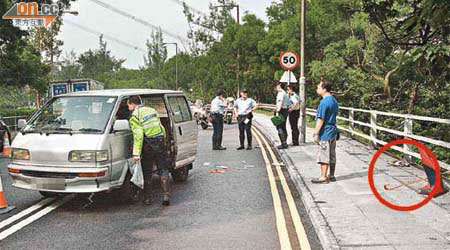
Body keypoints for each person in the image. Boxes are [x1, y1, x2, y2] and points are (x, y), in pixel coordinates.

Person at [128, 96, 171, 206]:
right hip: (160, 141)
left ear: (133, 104)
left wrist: (136, 153)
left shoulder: (135, 116)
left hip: (148, 145)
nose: (128, 107)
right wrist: (164, 141)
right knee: (163, 169)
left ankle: (147, 198)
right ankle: (166, 196)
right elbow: (161, 127)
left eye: (128, 105)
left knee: (147, 171)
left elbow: (138, 136)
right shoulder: (152, 110)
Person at [311, 80, 339, 184]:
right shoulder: (334, 101)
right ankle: (331, 175)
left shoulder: (324, 102)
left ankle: (323, 177)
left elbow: (321, 119)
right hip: (333, 131)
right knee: (332, 155)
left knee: (323, 155)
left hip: (325, 133)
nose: (317, 89)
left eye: (318, 87)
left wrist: (316, 133)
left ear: (324, 89)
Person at [275, 82, 290, 149]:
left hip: (281, 111)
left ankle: (283, 143)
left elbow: (280, 102)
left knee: (279, 127)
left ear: (279, 86)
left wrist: (278, 111)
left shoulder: (281, 93)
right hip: (285, 111)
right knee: (283, 127)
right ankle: (284, 142)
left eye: (277, 86)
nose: (276, 87)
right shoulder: (285, 93)